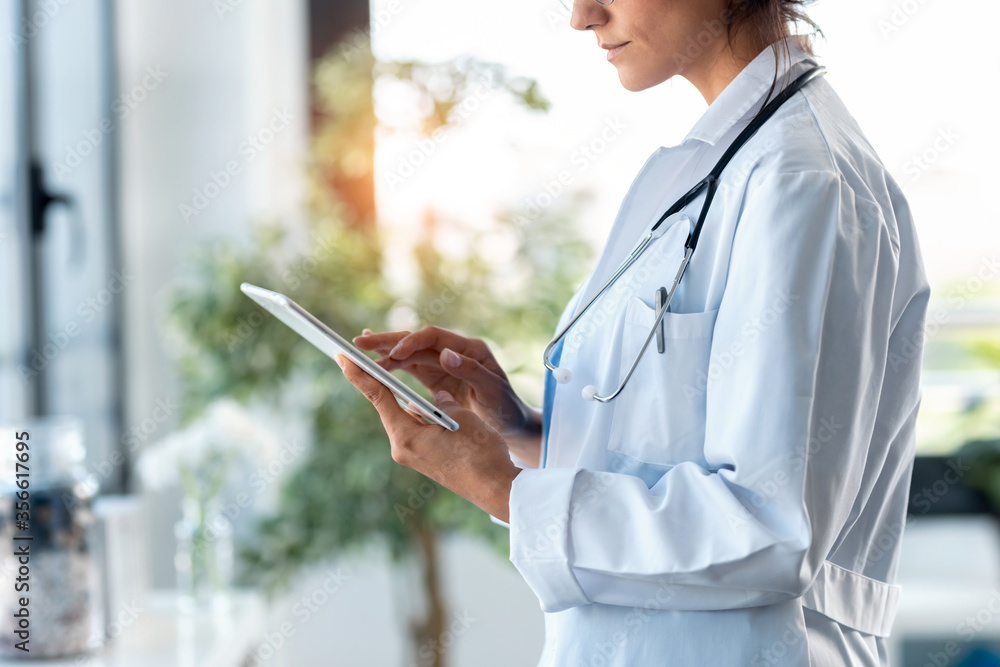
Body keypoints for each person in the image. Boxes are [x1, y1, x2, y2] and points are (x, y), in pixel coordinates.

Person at [338, 0, 931, 664]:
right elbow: (673, 448)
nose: (582, 16)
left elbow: (771, 528)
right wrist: (519, 428)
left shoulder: (801, 178)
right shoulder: (720, 163)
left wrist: (498, 487)